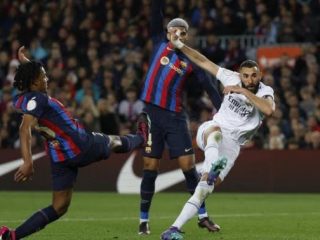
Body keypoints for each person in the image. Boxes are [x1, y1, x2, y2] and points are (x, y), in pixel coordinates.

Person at [0, 46, 151, 240]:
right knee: (113, 141)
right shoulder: (38, 99)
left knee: (59, 206)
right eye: (43, 77)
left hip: (59, 156)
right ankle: (142, 137)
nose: (47, 79)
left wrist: (27, 63)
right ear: (34, 81)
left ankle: (12, 236)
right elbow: (24, 129)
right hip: (79, 145)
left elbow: (30, 86)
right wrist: (27, 161)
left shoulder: (23, 99)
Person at [160, 32, 275, 240]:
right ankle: (212, 168)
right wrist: (179, 45)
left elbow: (268, 110)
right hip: (212, 130)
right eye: (246, 76)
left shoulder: (265, 91)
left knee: (203, 190)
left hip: (232, 146)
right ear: (240, 74)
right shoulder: (230, 77)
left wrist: (242, 92)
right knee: (216, 133)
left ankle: (173, 229)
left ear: (259, 75)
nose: (249, 79)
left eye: (253, 76)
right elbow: (203, 60)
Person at [138, 0, 222, 235]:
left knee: (188, 167)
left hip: (175, 118)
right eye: (175, 30)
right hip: (152, 115)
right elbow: (156, 12)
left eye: (183, 32)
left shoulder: (191, 61)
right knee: (149, 166)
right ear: (167, 32)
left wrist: (224, 113)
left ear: (186, 36)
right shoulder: (158, 44)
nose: (179, 34)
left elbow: (210, 86)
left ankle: (202, 216)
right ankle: (143, 220)